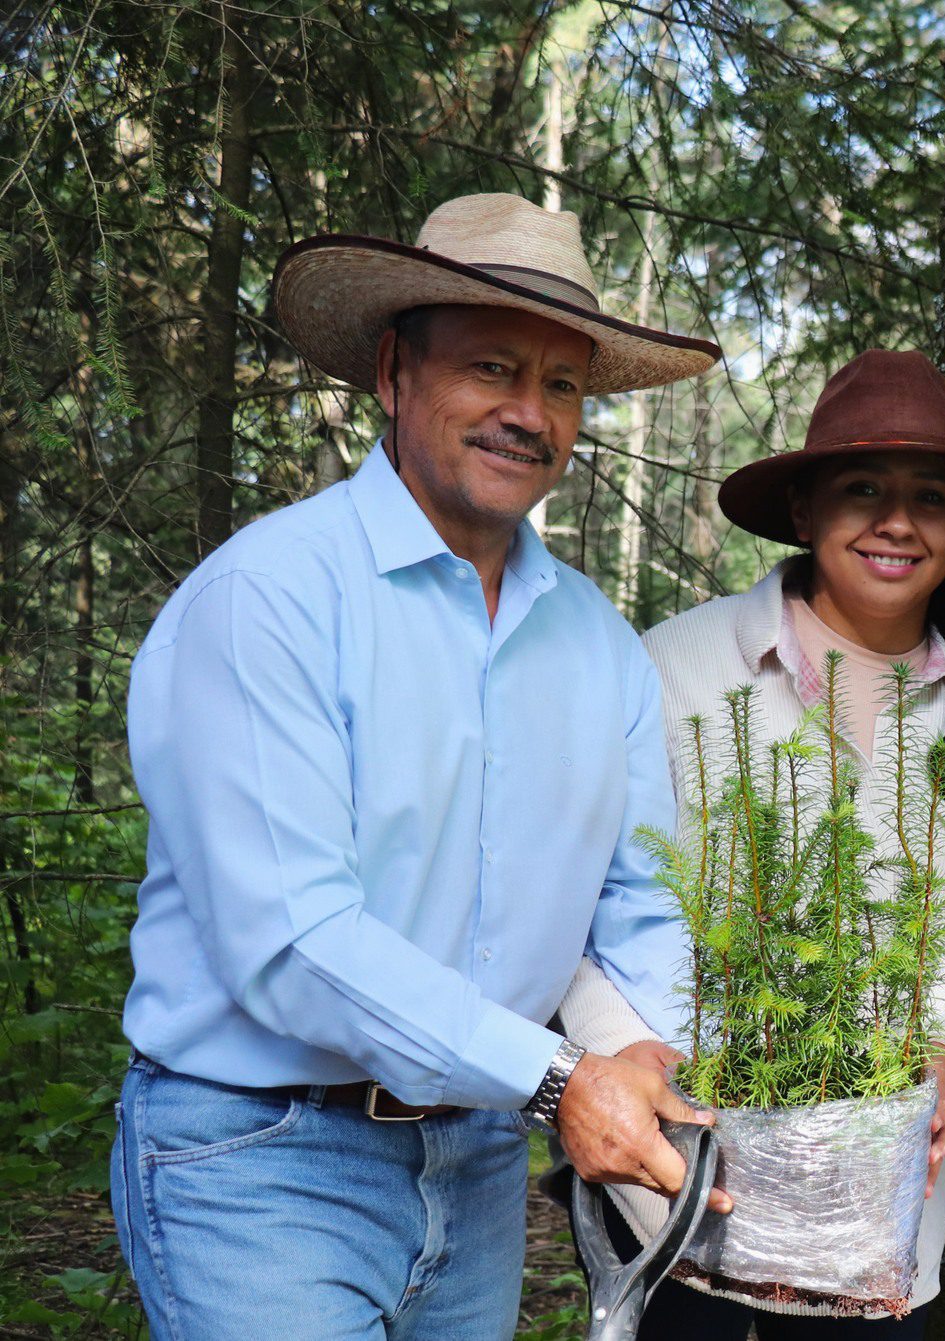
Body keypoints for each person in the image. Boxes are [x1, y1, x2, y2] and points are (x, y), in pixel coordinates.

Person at [110, 193, 732, 1339]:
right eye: (491, 368)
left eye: (559, 385)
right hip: (261, 1158)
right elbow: (297, 941)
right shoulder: (271, 601)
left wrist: (646, 1055)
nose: (527, 413)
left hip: (479, 1162)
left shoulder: (596, 644)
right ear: (394, 371)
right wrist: (560, 1080)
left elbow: (640, 896)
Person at [556, 348, 945, 1336]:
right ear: (802, 513)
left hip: (873, 1218)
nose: (896, 522)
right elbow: (578, 895)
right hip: (676, 1189)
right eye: (861, 489)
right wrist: (622, 1055)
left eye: (930, 498)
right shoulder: (671, 667)